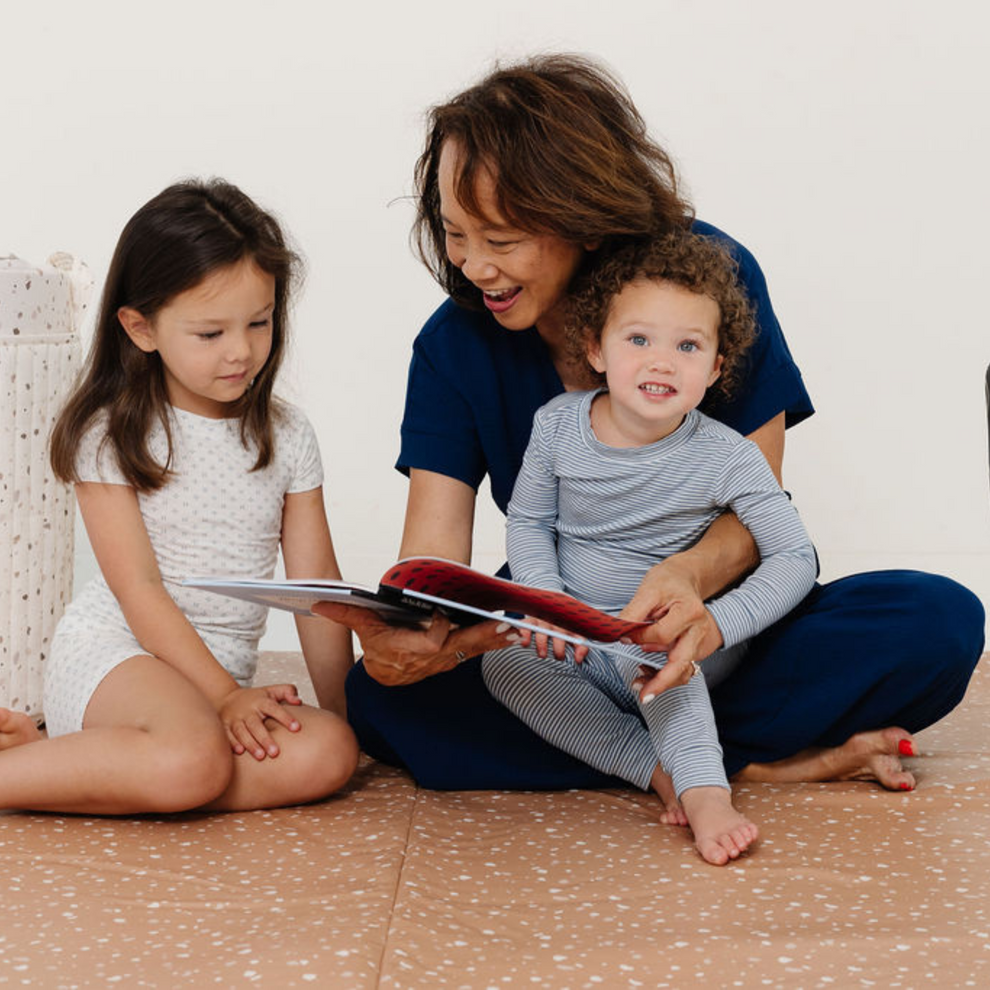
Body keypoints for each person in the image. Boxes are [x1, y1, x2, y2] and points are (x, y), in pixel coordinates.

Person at [319, 54, 985, 793]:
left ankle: (648, 753)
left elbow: (758, 511)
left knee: (938, 621)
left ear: (584, 220)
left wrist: (687, 580)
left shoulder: (709, 279)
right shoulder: (453, 343)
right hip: (569, 640)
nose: (474, 266)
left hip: (715, 627)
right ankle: (739, 764)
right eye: (455, 235)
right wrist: (415, 643)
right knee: (379, 703)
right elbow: (432, 565)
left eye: (501, 240)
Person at [0, 179, 358, 815]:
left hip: (216, 689)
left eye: (259, 321)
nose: (242, 350)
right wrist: (222, 697)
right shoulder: (113, 432)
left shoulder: (289, 436)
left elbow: (317, 593)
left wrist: (347, 712)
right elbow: (139, 591)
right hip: (120, 658)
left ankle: (90, 765)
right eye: (210, 333)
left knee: (331, 751)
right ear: (141, 328)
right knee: (191, 756)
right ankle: (68, 766)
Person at [484, 231, 818, 864]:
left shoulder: (729, 457)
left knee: (670, 674)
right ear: (596, 348)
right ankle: (652, 767)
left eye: (688, 346)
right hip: (578, 634)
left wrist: (713, 627)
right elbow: (529, 522)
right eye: (639, 339)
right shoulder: (557, 425)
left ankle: (707, 794)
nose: (662, 362)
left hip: (666, 636)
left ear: (717, 367)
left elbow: (796, 558)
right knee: (504, 665)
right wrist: (548, 602)